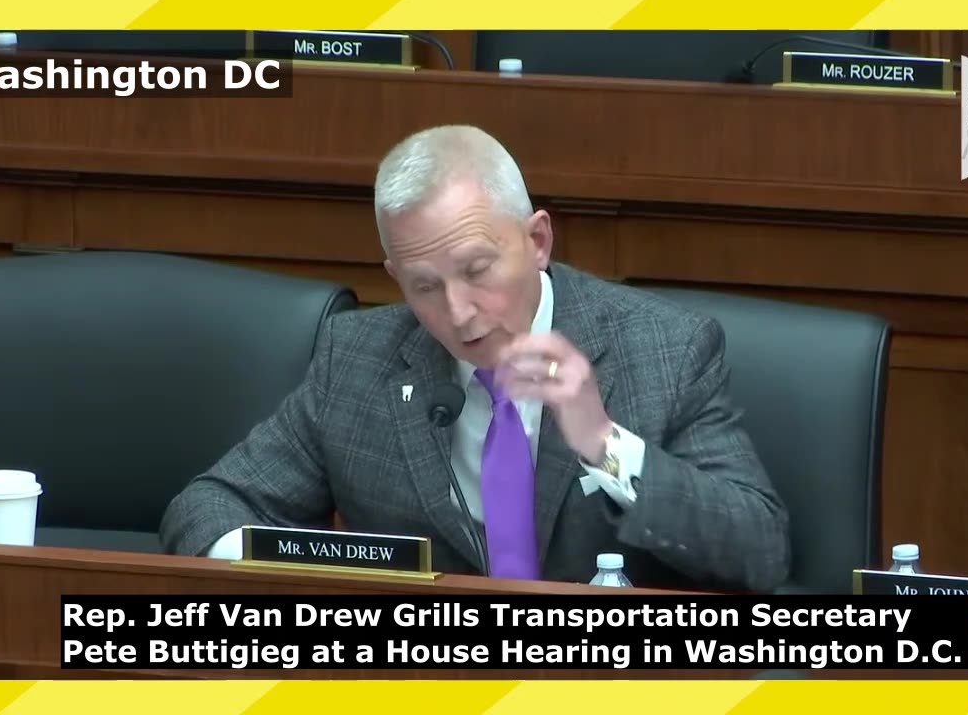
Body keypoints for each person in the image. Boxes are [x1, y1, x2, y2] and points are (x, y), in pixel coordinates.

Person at [159, 124, 790, 592]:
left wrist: (604, 444)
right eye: (424, 286)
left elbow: (760, 552)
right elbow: (207, 504)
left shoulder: (664, 350)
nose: (458, 313)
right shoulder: (357, 360)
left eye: (477, 270)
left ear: (537, 240)